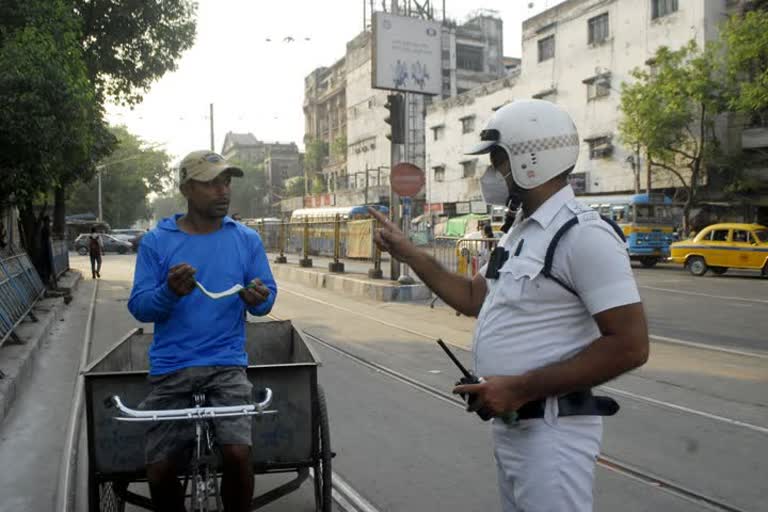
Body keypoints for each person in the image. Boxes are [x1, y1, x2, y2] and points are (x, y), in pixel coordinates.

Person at [370, 99, 649, 512]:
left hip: (552, 434)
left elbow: (630, 345)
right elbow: (471, 298)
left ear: (531, 158)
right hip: (514, 425)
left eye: (497, 160)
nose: (491, 174)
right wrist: (408, 253)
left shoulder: (583, 235)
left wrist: (518, 388)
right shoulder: (519, 232)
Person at [128, 150, 277, 512]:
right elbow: (140, 306)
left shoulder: (246, 240)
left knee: (239, 455)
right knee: (160, 469)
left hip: (227, 366)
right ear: (187, 188)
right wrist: (168, 293)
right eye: (212, 183)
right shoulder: (157, 241)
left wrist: (257, 298)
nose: (223, 190)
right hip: (171, 368)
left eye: (226, 182)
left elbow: (266, 300)